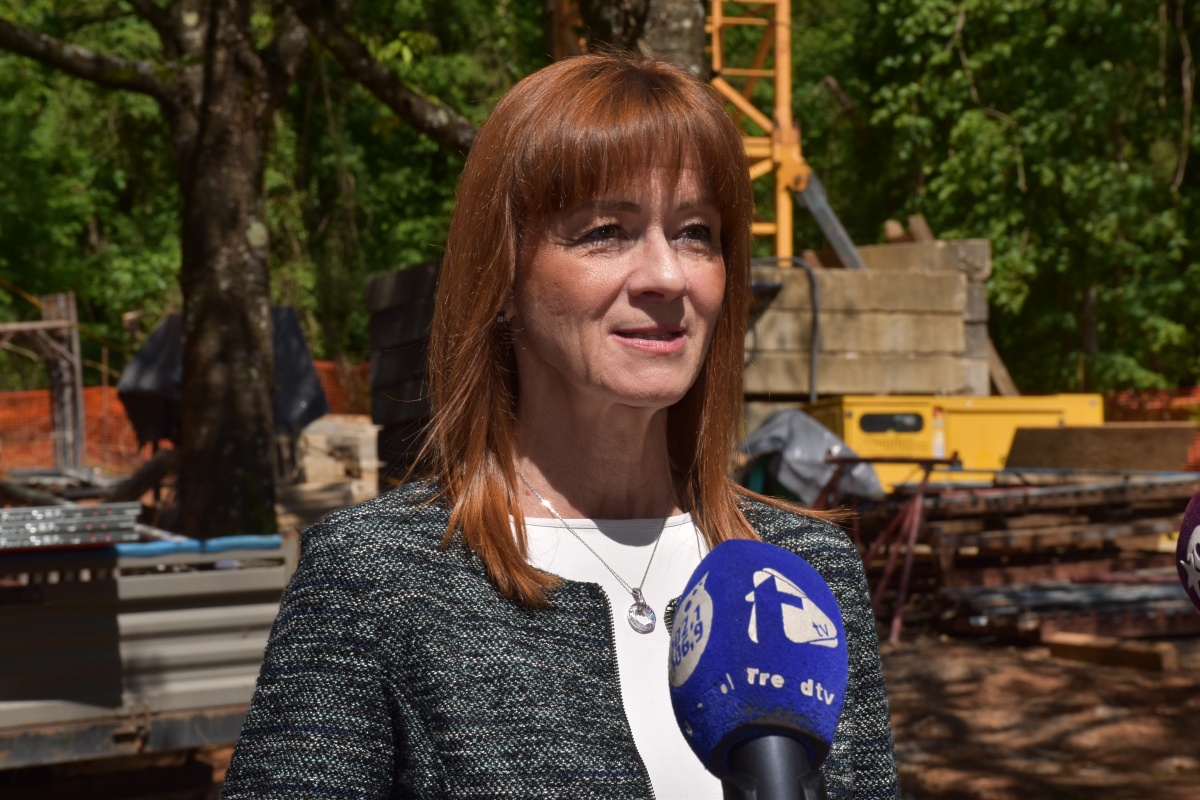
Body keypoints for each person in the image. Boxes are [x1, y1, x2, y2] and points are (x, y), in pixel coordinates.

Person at [221, 54, 899, 800]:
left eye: (695, 232)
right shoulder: (377, 580)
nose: (667, 275)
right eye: (606, 231)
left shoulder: (806, 574)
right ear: (503, 278)